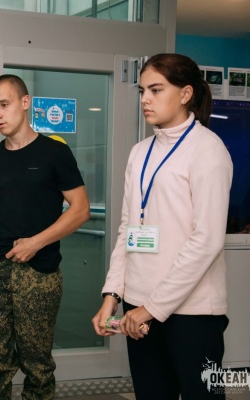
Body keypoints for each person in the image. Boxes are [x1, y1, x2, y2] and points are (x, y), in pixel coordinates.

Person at [91, 53, 233, 399]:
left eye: (155, 90)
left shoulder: (208, 150)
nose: (145, 99)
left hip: (192, 314)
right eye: (142, 91)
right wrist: (113, 295)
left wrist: (151, 308)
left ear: (185, 94)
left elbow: (207, 241)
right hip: (138, 308)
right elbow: (128, 228)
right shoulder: (139, 152)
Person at [0, 74, 90, 399]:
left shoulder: (55, 153)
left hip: (38, 272)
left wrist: (36, 242)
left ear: (25, 102)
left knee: (37, 365)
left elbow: (80, 210)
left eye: (3, 105)